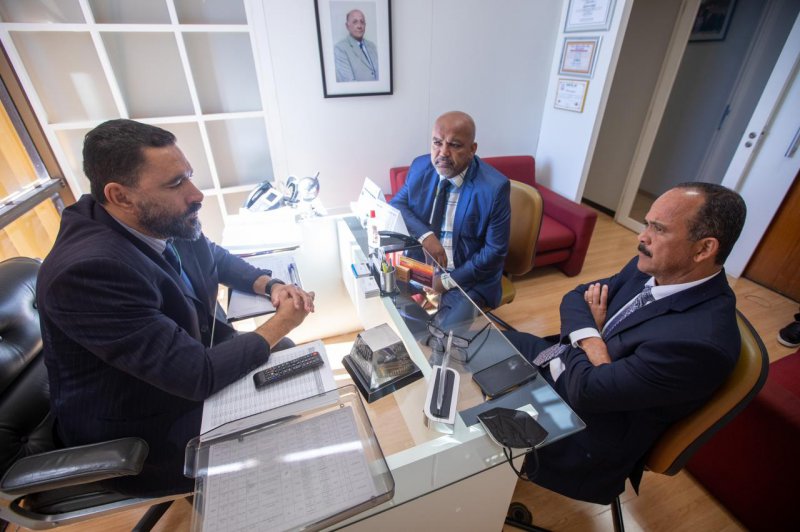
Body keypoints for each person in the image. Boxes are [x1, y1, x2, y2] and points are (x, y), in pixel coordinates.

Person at [37, 119, 315, 496]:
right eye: (175, 184)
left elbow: (210, 254)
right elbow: (197, 375)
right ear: (120, 196)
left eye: (189, 177)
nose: (196, 194)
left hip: (177, 374)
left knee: (286, 363)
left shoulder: (157, 218)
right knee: (280, 399)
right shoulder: (89, 272)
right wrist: (281, 323)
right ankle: (262, 497)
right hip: (141, 435)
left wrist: (269, 284)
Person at [504, 182, 747, 505]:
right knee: (480, 348)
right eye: (647, 223)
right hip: (563, 368)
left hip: (582, 434)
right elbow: (576, 297)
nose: (641, 237)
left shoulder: (700, 344)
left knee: (468, 427)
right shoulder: (652, 266)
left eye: (658, 229)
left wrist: (586, 338)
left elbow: (587, 392)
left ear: (704, 249)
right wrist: (593, 339)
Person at [390, 111, 510, 327]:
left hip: (466, 277)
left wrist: (446, 281)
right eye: (437, 143)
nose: (443, 152)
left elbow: (495, 252)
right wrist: (426, 236)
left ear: (472, 149)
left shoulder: (494, 188)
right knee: (392, 302)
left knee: (445, 335)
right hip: (422, 267)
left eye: (454, 145)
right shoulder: (420, 167)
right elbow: (398, 204)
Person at [334, 9, 379, 82]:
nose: (359, 26)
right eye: (355, 22)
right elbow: (349, 82)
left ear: (365, 25)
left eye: (362, 22)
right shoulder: (340, 48)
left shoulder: (372, 46)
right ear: (347, 26)